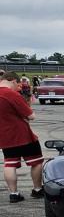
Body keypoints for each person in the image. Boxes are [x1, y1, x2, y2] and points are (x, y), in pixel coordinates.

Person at [0, 72, 44, 202]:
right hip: (22, 134)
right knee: (36, 161)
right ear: (13, 81)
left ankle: (14, 193)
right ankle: (37, 189)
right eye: (17, 85)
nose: (17, 87)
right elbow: (31, 116)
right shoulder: (11, 94)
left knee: (10, 164)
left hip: (4, 136)